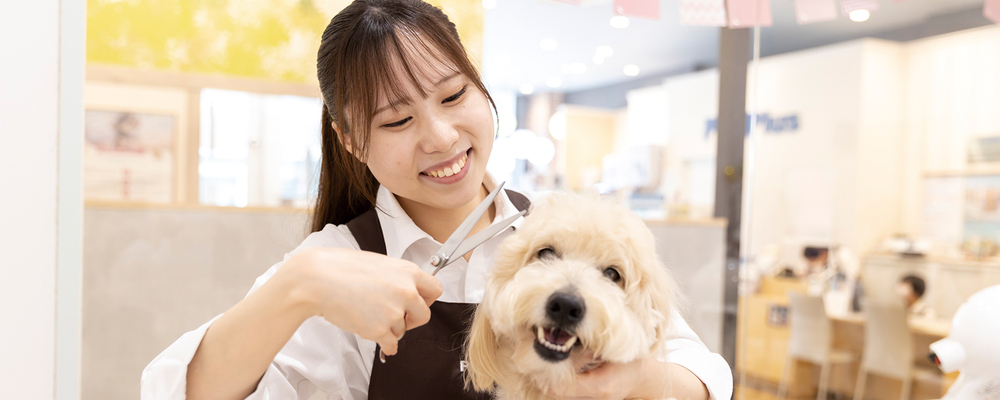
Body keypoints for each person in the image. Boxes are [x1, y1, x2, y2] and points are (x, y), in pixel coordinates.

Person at [140, 1, 733, 399]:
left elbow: (707, 373)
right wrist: (302, 286)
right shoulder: (338, 261)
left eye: (453, 96)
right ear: (350, 140)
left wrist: (640, 379)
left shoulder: (556, 228)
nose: (441, 137)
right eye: (397, 120)